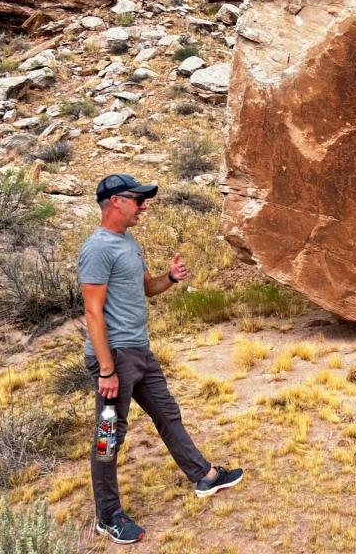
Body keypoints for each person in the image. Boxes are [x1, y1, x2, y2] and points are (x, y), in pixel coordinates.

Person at [79, 174, 243, 545]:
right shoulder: (97, 248)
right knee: (108, 436)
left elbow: (145, 289)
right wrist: (106, 369)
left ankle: (204, 475)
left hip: (140, 353)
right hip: (114, 359)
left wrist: (169, 278)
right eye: (138, 200)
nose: (144, 206)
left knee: (168, 413)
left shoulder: (128, 242)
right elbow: (93, 313)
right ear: (116, 201)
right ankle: (108, 516)